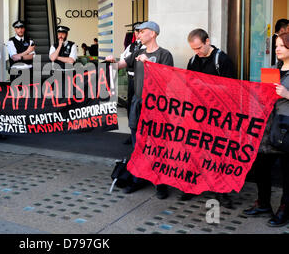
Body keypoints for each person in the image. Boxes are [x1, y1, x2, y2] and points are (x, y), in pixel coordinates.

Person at [106, 21, 174, 199]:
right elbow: (121, 64)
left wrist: (149, 64)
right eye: (139, 32)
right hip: (138, 103)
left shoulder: (164, 54)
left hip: (156, 106)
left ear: (153, 33)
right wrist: (111, 62)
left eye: (142, 32)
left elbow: (167, 78)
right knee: (138, 145)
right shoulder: (137, 52)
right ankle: (138, 179)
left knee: (157, 145)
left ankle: (160, 184)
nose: (139, 35)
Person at [180, 28, 236, 207]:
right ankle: (191, 186)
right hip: (197, 114)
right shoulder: (193, 60)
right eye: (193, 49)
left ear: (207, 41)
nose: (197, 52)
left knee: (219, 154)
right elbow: (189, 86)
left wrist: (205, 85)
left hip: (219, 115)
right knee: (194, 151)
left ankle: (222, 191)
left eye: (199, 48)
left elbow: (233, 88)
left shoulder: (223, 60)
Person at [243, 32, 289, 228]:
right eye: (276, 45)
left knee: (287, 173)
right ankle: (263, 203)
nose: (277, 49)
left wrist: (287, 93)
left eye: (281, 46)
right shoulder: (274, 69)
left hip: (286, 126)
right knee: (261, 167)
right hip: (268, 126)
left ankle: (284, 210)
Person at [120, 22, 144, 145]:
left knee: (142, 108)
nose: (138, 34)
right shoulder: (131, 46)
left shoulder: (148, 46)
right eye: (136, 31)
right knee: (131, 107)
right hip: (131, 79)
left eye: (141, 31)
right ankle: (132, 134)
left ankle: (142, 135)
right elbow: (123, 59)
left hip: (143, 81)